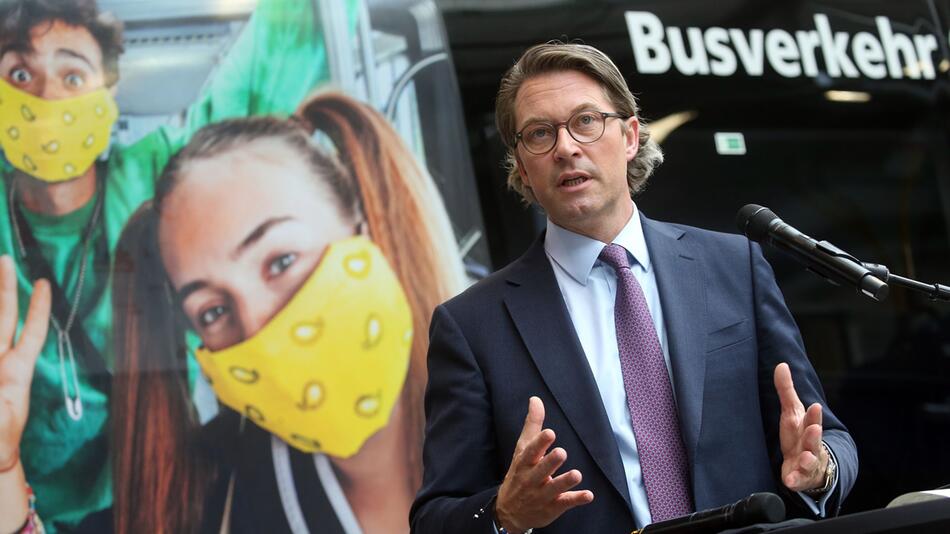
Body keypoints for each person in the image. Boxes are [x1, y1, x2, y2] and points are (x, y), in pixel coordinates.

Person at [409, 42, 858, 533]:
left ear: (629, 136)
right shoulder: (473, 324)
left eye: (585, 121)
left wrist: (820, 472)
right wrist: (504, 514)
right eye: (539, 133)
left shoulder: (734, 266)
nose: (565, 147)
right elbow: (435, 518)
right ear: (520, 165)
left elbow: (825, 436)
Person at [0, 0, 353, 530]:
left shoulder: (159, 175)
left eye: (73, 73)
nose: (48, 96)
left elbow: (279, 53)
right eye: (20, 73)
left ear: (108, 94)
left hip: (161, 489)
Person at [109, 91, 466, 533]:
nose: (260, 329)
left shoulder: (527, 412)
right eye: (213, 311)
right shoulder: (219, 492)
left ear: (366, 227)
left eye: (280, 262)